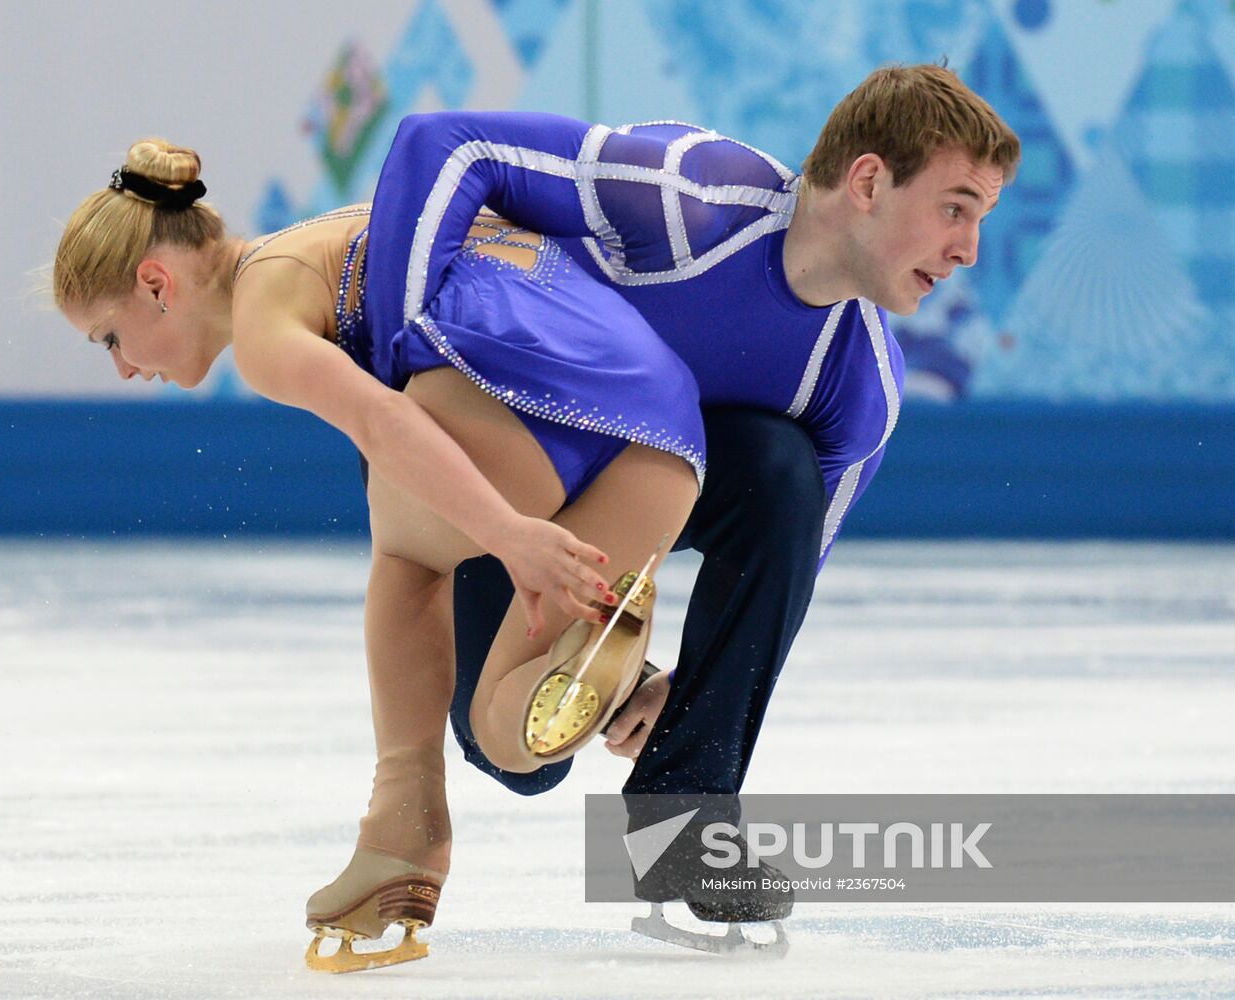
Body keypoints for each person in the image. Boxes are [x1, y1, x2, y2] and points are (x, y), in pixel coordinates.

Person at [362, 63, 1019, 939]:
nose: (969, 247)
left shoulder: (859, 383)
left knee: (782, 471)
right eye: (956, 207)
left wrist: (685, 690)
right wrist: (392, 381)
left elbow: (784, 579)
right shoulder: (684, 202)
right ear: (867, 181)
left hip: (640, 503)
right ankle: (578, 649)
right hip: (513, 489)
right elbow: (442, 143)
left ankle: (683, 818)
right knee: (519, 763)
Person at [53, 151, 711, 971]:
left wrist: (508, 534)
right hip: (667, 433)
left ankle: (402, 837)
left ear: (157, 283)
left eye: (109, 337)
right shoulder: (339, 229)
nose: (121, 365)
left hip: (533, 404)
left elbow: (383, 425)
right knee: (506, 732)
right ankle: (620, 673)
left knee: (405, 562)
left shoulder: (264, 316)